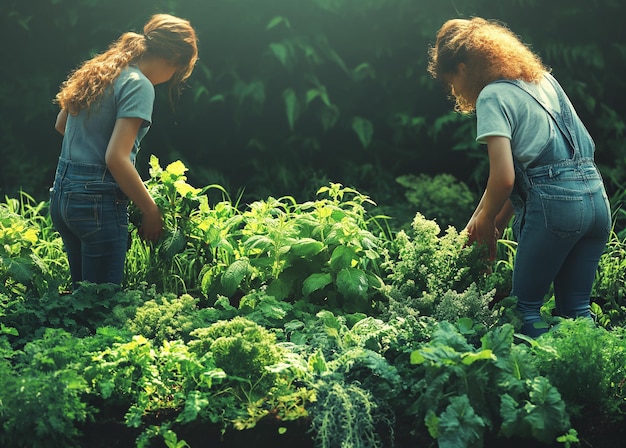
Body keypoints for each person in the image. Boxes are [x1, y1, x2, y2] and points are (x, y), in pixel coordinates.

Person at [427, 17, 611, 337]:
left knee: (524, 309)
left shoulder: (492, 96)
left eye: (450, 80)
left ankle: (527, 384)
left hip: (557, 209)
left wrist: (484, 219)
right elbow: (531, 167)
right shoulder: (543, 82)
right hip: (597, 201)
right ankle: (599, 381)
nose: (453, 90)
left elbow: (504, 178)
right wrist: (492, 220)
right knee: (577, 309)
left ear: (463, 67)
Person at [50, 13, 198, 289]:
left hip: (63, 196)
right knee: (102, 307)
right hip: (96, 204)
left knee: (81, 305)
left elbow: (62, 124)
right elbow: (116, 158)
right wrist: (151, 211)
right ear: (175, 59)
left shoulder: (103, 68)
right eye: (178, 72)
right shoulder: (139, 84)